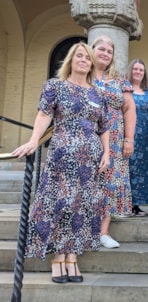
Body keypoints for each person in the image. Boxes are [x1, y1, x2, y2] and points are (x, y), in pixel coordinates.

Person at [12, 42, 110, 283]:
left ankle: (72, 257)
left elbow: (104, 126)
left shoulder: (97, 93)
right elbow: (44, 114)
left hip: (90, 159)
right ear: (71, 59)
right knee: (62, 204)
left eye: (87, 57)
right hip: (62, 154)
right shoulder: (55, 86)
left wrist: (106, 153)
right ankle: (58, 257)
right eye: (79, 56)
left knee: (83, 207)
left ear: (91, 64)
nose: (83, 60)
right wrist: (34, 141)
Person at [92, 35, 136, 248]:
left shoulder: (119, 79)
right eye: (101, 49)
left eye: (109, 51)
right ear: (92, 50)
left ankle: (103, 232)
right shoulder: (83, 75)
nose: (105, 54)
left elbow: (129, 109)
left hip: (116, 139)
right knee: (87, 183)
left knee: (110, 183)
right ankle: (82, 229)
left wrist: (129, 139)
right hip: (88, 138)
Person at [126, 59, 148, 216]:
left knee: (144, 170)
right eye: (135, 69)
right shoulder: (124, 89)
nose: (138, 72)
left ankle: (137, 204)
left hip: (147, 135)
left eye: (141, 70)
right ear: (130, 70)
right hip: (129, 134)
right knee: (129, 168)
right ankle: (126, 203)